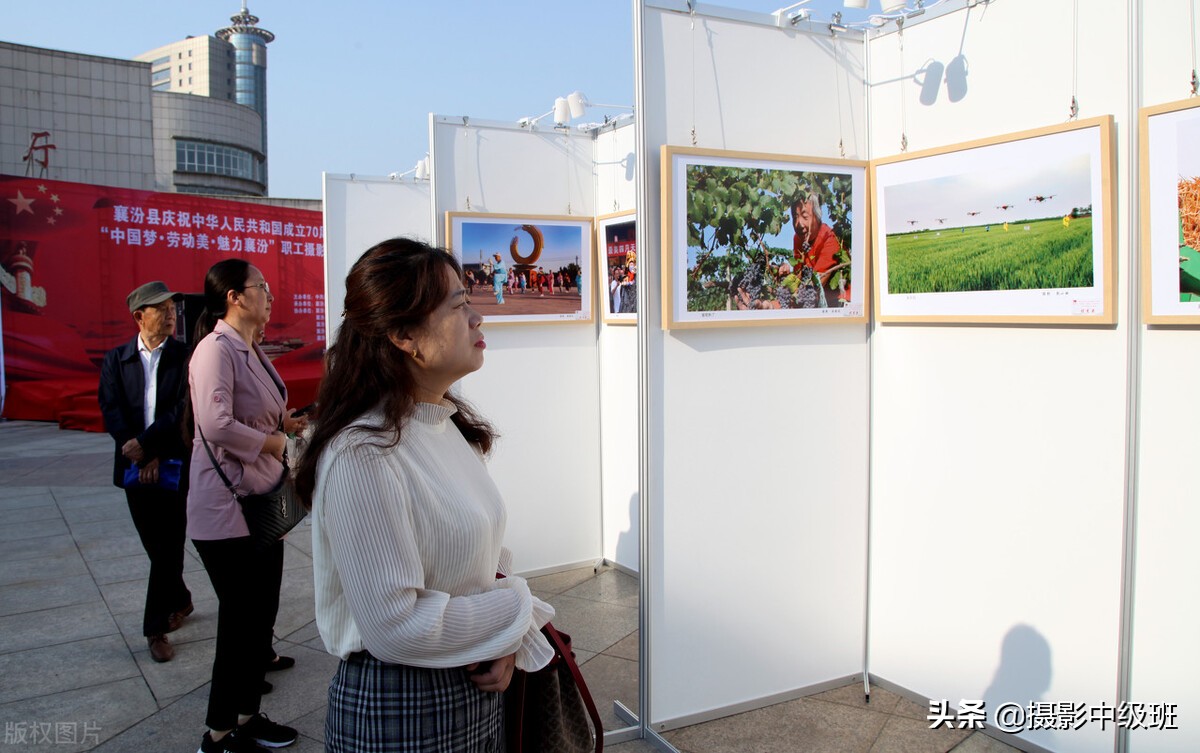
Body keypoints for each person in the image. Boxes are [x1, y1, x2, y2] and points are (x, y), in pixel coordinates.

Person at [294, 238, 555, 752]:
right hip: (403, 707)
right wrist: (517, 611)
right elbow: (396, 625)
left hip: (468, 683)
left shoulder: (441, 424)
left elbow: (483, 553)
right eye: (459, 306)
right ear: (404, 335)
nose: (477, 319)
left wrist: (503, 638)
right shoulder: (362, 452)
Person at [186, 259, 304, 753]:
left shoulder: (251, 349)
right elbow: (214, 424)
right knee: (239, 623)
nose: (270, 295)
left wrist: (286, 429)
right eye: (262, 288)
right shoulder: (215, 349)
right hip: (227, 509)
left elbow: (260, 411)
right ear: (235, 296)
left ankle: (248, 714)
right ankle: (217, 733)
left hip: (261, 502)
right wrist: (274, 443)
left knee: (259, 619)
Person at [98, 281, 193, 664]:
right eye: (162, 308)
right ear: (140, 316)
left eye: (173, 308)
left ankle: (155, 628)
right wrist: (136, 451)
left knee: (169, 542)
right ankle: (181, 598)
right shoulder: (116, 359)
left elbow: (183, 409)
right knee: (155, 544)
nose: (171, 314)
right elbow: (111, 408)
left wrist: (151, 448)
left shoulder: (185, 356)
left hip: (171, 461)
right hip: (133, 464)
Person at [790, 193, 849, 307]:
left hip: (838, 305)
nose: (799, 224)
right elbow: (798, 276)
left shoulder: (830, 239)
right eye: (795, 217)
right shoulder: (798, 238)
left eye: (805, 217)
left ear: (817, 217)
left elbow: (814, 286)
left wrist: (793, 295)